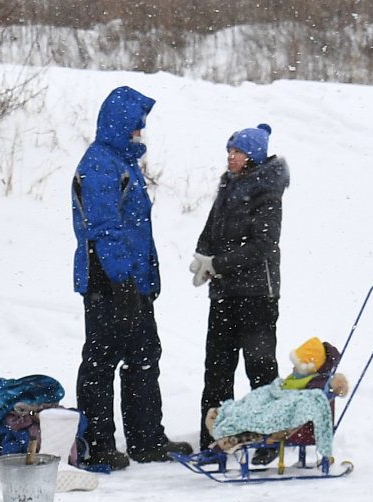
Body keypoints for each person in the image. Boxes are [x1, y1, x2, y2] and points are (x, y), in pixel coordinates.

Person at [71, 86, 192, 470]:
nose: (141, 133)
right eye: (137, 127)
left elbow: (138, 229)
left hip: (133, 281)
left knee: (143, 357)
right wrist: (121, 281)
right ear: (121, 125)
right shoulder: (101, 164)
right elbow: (104, 229)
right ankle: (98, 443)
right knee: (102, 360)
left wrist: (145, 280)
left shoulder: (124, 163)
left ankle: (146, 439)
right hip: (107, 282)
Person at [193, 123, 291, 446]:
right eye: (229, 152)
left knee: (260, 369)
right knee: (217, 368)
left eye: (237, 152)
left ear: (253, 156)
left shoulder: (267, 193)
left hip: (256, 296)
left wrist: (218, 264)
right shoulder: (228, 186)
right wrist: (202, 256)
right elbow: (211, 228)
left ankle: (269, 434)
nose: (231, 158)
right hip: (224, 293)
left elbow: (263, 245)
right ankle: (215, 435)